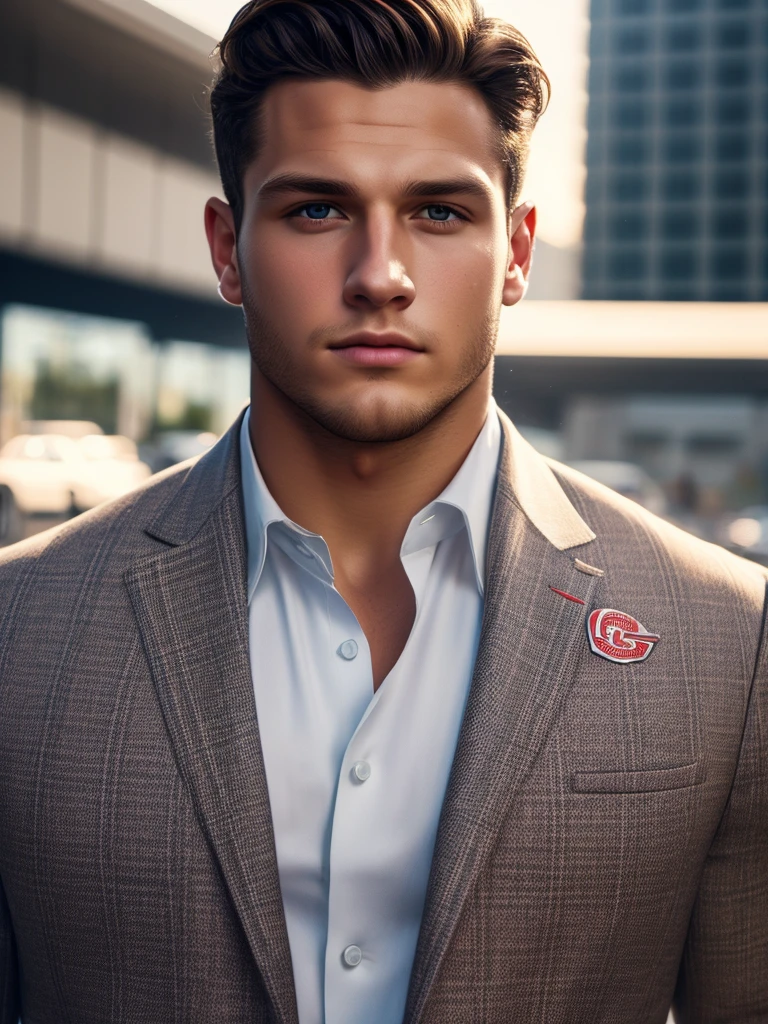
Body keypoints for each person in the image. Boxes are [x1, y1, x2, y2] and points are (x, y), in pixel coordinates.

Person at [0, 0, 765, 1021]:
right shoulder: (19, 628)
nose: (380, 277)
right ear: (227, 250)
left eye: (440, 212)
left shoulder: (731, 642)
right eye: (316, 210)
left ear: (519, 252)